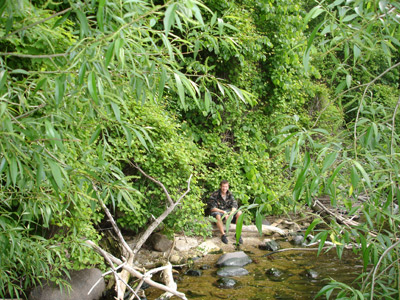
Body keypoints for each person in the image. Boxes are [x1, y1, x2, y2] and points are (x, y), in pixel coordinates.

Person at [208, 180, 243, 244]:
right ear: (220, 187)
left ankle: (238, 234)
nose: (225, 188)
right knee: (217, 215)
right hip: (218, 211)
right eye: (223, 187)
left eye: (226, 187)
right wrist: (223, 212)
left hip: (228, 211)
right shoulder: (215, 194)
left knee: (239, 213)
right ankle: (223, 235)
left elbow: (234, 205)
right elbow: (212, 208)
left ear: (228, 187)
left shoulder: (229, 194)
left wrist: (231, 214)